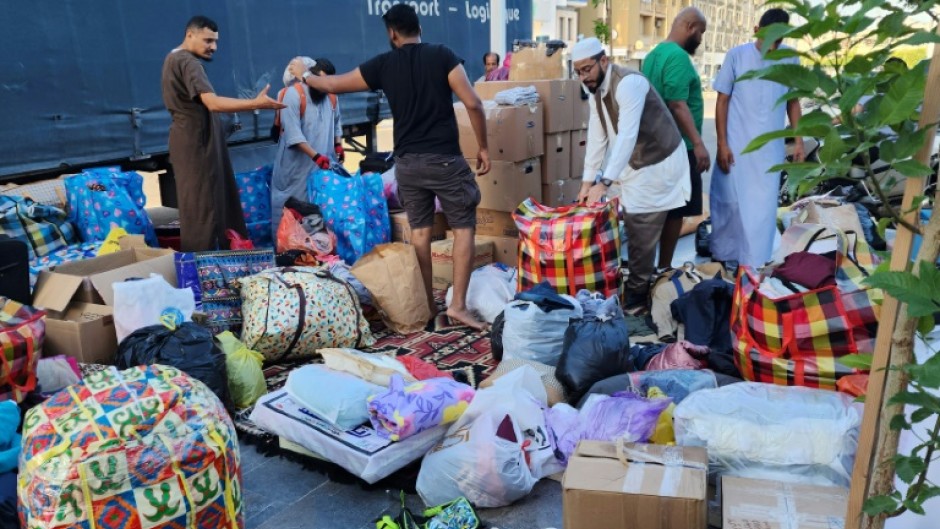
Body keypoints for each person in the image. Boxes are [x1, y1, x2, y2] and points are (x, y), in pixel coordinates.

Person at [291, 4, 491, 330]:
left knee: (422, 234)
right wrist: (482, 146)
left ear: (392, 33)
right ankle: (457, 306)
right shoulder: (443, 55)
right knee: (464, 228)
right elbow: (473, 102)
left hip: (408, 165)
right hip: (444, 160)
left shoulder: (383, 64)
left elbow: (332, 85)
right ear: (419, 28)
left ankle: (426, 304)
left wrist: (305, 74)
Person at [573, 37, 691, 313]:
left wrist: (604, 182)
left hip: (657, 163)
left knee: (640, 226)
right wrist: (586, 182)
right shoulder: (595, 90)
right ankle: (642, 282)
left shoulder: (630, 83)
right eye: (578, 71)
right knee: (624, 223)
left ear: (604, 61)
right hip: (631, 163)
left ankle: (637, 300)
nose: (583, 76)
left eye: (587, 69)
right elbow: (597, 135)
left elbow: (627, 136)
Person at [161, 15, 284, 252]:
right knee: (204, 210)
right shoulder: (189, 63)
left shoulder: (172, 58)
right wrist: (254, 104)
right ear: (190, 34)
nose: (213, 47)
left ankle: (216, 265)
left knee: (203, 206)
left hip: (190, 140)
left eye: (215, 42)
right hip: (198, 144)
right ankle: (202, 273)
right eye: (208, 41)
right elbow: (213, 103)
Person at [711, 8, 804, 269]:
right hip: (735, 150)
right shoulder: (737, 56)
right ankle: (725, 262)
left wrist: (798, 140)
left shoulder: (790, 61)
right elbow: (723, 100)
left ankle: (754, 266)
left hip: (769, 154)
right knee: (730, 207)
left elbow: (793, 102)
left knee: (762, 213)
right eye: (769, 39)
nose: (773, 46)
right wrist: (721, 144)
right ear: (756, 31)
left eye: (779, 41)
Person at [642, 7, 709, 270]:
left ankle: (651, 267)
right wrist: (700, 144)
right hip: (680, 147)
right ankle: (665, 268)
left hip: (656, 145)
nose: (701, 39)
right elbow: (677, 104)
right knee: (675, 212)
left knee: (659, 210)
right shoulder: (678, 57)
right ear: (690, 26)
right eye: (701, 32)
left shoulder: (652, 56)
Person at [270, 56, 343, 230]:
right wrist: (316, 157)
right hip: (294, 170)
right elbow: (293, 135)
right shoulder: (293, 95)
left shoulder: (331, 96)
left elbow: (337, 122)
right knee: (290, 214)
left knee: (319, 213)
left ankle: (319, 254)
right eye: (320, 80)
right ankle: (286, 254)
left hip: (320, 168)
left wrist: (338, 144)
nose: (323, 86)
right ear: (309, 77)